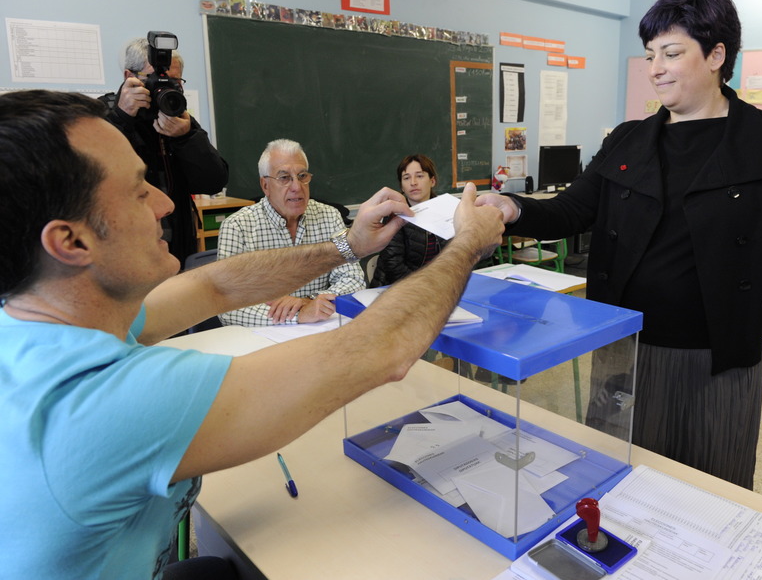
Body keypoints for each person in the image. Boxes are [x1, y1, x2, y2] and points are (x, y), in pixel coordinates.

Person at [0, 90, 504, 579]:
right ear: (70, 241)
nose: (165, 203)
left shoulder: (43, 316)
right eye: (138, 190)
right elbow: (378, 349)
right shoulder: (103, 403)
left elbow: (214, 286)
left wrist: (348, 246)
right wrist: (466, 244)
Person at [477, 0, 762, 489]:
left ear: (716, 56)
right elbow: (572, 210)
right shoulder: (628, 139)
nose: (655, 69)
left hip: (720, 355)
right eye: (650, 55)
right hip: (626, 343)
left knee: (713, 487)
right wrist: (514, 208)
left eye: (671, 53)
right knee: (618, 478)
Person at [101, 37, 229, 262]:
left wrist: (186, 138)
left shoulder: (180, 119)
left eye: (174, 81)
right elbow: (96, 178)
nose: (164, 88)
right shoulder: (101, 115)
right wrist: (122, 118)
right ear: (129, 77)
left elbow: (213, 183)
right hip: (122, 247)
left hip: (178, 246)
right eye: (155, 80)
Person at [217, 139, 366, 326]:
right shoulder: (237, 227)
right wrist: (298, 316)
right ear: (265, 185)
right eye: (284, 178)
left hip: (320, 328)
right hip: (263, 335)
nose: (297, 187)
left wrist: (310, 301)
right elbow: (227, 306)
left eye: (302, 176)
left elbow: (353, 279)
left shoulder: (330, 216)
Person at [371, 154, 448, 287]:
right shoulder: (394, 215)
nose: (413, 182)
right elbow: (393, 265)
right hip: (399, 288)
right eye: (406, 178)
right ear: (401, 186)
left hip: (439, 284)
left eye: (419, 176)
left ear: (432, 181)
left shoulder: (446, 210)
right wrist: (425, 286)